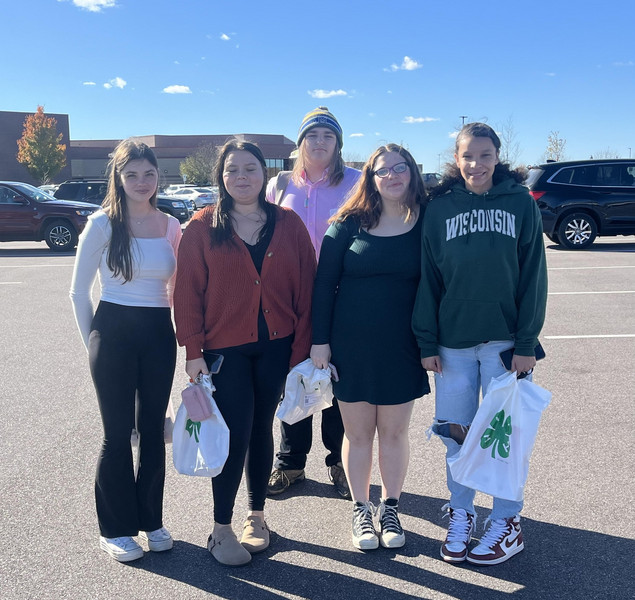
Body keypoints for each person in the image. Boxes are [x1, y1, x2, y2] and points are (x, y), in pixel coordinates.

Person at [173, 139, 316, 567]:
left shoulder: (289, 225)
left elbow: (307, 290)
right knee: (231, 434)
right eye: (232, 169)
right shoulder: (202, 227)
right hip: (224, 352)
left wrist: (301, 350)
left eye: (250, 168)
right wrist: (193, 351)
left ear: (264, 175)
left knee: (260, 431)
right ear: (221, 176)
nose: (241, 176)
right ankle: (220, 529)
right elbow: (187, 294)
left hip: (275, 347)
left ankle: (257, 516)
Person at [412, 122, 548, 566]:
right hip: (452, 346)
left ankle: (507, 521)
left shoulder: (519, 203)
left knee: (503, 438)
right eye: (468, 156)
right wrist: (427, 340)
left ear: (497, 156)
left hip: (505, 344)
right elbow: (429, 278)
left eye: (485, 155)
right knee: (457, 435)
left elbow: (533, 277)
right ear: (456, 158)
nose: (476, 164)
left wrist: (526, 342)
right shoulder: (440, 208)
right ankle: (463, 511)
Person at [311, 144, 430, 550]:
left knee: (395, 433)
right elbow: (323, 285)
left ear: (412, 173)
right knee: (358, 434)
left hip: (403, 346)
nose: (393, 176)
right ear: (371, 178)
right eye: (384, 170)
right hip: (351, 346)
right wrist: (320, 343)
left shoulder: (426, 221)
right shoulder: (347, 223)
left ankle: (390, 506)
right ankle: (361, 509)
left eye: (401, 168)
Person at [69, 139, 181, 562]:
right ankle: (114, 529)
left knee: (153, 432)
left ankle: (151, 520)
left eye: (148, 174)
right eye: (131, 174)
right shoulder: (102, 224)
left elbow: (179, 289)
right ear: (118, 176)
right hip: (112, 332)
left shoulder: (171, 225)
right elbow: (79, 292)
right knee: (117, 436)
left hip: (157, 334)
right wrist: (92, 347)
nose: (141, 181)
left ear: (158, 176)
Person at [266, 106, 361, 499]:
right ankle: (291, 462)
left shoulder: (357, 182)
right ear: (300, 142)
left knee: (340, 378)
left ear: (338, 144)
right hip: (290, 295)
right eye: (312, 135)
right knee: (295, 376)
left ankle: (340, 461)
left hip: (342, 292)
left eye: (328, 136)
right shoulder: (281, 183)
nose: (319, 142)